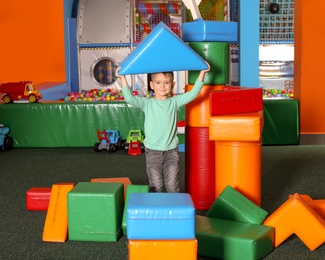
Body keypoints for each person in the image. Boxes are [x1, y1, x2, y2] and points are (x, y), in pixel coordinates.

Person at [115, 62, 210, 192]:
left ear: (173, 85)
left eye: (166, 82)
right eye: (158, 83)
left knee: (172, 185)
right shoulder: (147, 103)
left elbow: (192, 94)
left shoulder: (174, 102)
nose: (162, 86)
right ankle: (156, 209)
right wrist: (122, 78)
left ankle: (174, 209)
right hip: (152, 151)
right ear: (151, 85)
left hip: (171, 151)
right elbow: (129, 99)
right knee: (156, 185)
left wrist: (202, 73)